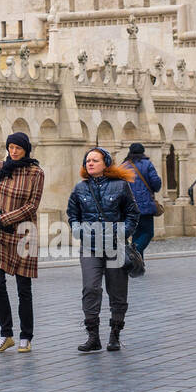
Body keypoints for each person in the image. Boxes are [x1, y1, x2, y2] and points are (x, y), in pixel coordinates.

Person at [67, 146, 139, 353]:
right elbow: (72, 214)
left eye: (95, 160)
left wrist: (120, 231)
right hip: (90, 247)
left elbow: (133, 214)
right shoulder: (80, 188)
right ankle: (93, 337)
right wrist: (78, 230)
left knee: (117, 292)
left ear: (105, 163)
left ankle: (115, 334)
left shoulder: (120, 186)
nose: (90, 163)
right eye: (87, 160)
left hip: (114, 247)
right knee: (91, 288)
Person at [0, 132, 43, 354]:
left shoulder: (36, 172)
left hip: (23, 233)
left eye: (18, 147)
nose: (14, 151)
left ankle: (26, 336)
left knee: (23, 288)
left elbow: (32, 205)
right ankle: (5, 333)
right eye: (11, 147)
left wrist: (7, 218)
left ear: (26, 149)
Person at [121, 143, 162, 256]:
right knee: (148, 233)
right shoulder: (147, 164)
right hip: (144, 206)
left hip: (128, 207)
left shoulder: (123, 166)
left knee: (136, 233)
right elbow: (156, 184)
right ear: (143, 152)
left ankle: (136, 265)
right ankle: (134, 252)